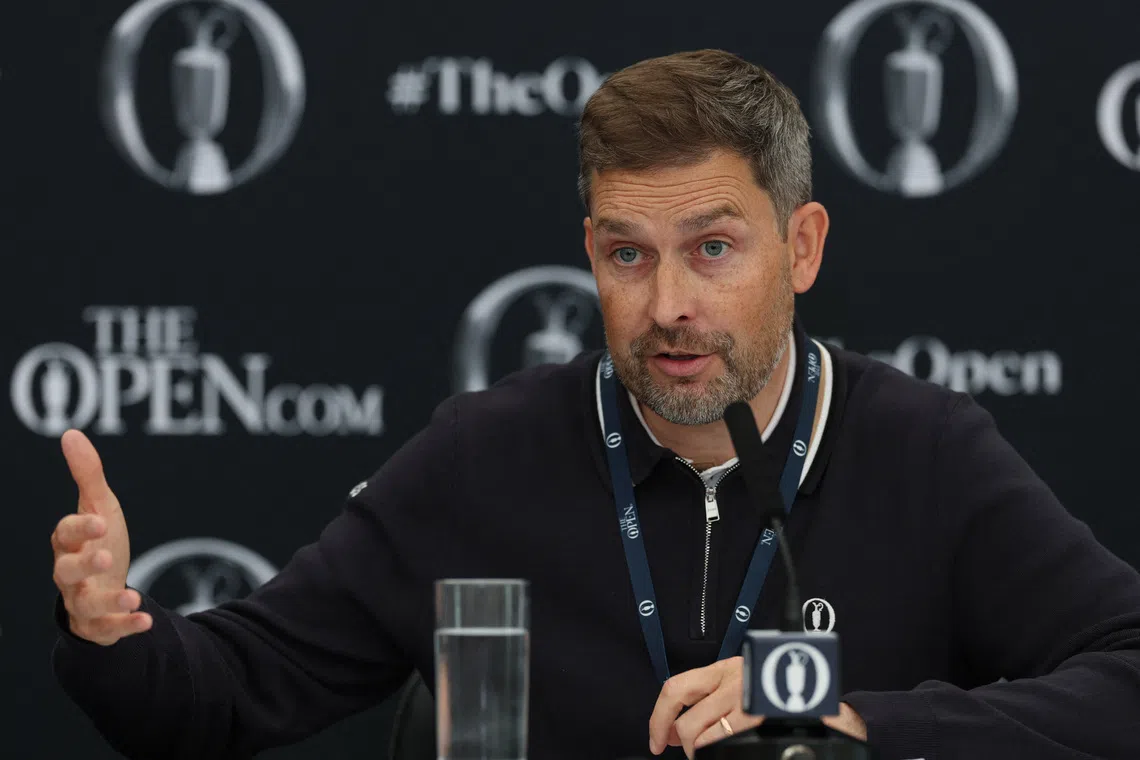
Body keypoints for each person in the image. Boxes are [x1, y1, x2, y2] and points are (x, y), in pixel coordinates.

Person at [50, 49, 1140, 760]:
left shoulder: (925, 452)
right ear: (590, 255)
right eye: (630, 254)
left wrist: (866, 723)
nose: (669, 304)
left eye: (713, 248)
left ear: (800, 248)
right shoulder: (482, 460)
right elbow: (222, 692)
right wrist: (113, 634)